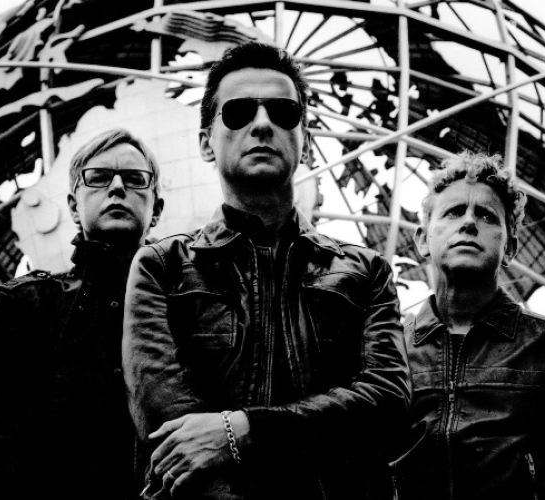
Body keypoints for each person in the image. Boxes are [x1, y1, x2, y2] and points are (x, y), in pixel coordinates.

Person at [122, 41, 411, 500]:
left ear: (305, 141)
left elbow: (387, 404)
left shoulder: (366, 272)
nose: (262, 124)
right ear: (205, 144)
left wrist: (243, 430)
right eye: (238, 112)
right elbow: (171, 430)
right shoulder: (161, 268)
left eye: (283, 112)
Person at [395, 151, 545, 499]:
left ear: (510, 246)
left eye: (486, 215)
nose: (469, 223)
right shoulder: (387, 355)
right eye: (454, 212)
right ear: (423, 240)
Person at [0, 128, 164, 500]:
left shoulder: (190, 304)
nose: (117, 188)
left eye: (135, 179)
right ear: (73, 206)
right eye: (99, 177)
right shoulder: (25, 304)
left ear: (157, 209)